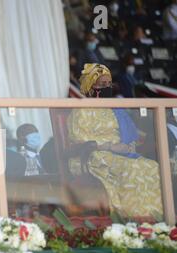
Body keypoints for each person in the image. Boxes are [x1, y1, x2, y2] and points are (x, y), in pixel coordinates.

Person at [67, 63, 163, 220]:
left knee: (153, 166)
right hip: (94, 155)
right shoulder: (81, 109)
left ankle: (155, 219)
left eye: (109, 83)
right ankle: (132, 219)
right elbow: (79, 141)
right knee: (131, 169)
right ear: (91, 84)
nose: (107, 87)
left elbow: (129, 134)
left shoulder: (114, 107)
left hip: (121, 153)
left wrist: (128, 145)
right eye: (102, 84)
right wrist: (110, 146)